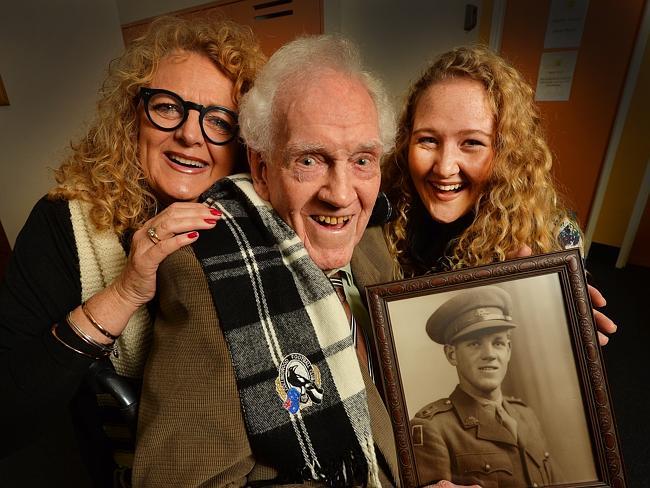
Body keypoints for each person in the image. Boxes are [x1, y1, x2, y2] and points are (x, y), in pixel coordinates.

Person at [132, 35, 474, 488]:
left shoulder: (372, 242)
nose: (341, 193)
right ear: (261, 170)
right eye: (309, 160)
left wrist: (551, 313)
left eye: (362, 160)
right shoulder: (209, 275)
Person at [0, 16, 264, 486]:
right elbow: (8, 414)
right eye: (167, 107)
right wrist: (124, 292)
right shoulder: (62, 220)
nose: (190, 134)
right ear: (132, 115)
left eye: (219, 120)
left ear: (244, 145)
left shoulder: (263, 224)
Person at [381, 45, 616, 345]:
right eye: (427, 140)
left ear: (505, 153)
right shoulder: (384, 215)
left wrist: (562, 344)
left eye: (472, 143)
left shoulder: (552, 238)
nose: (444, 166)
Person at [410, 286, 557, 486]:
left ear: (509, 350)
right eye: (475, 344)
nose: (489, 354)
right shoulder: (433, 428)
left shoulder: (526, 415)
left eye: (498, 343)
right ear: (452, 355)